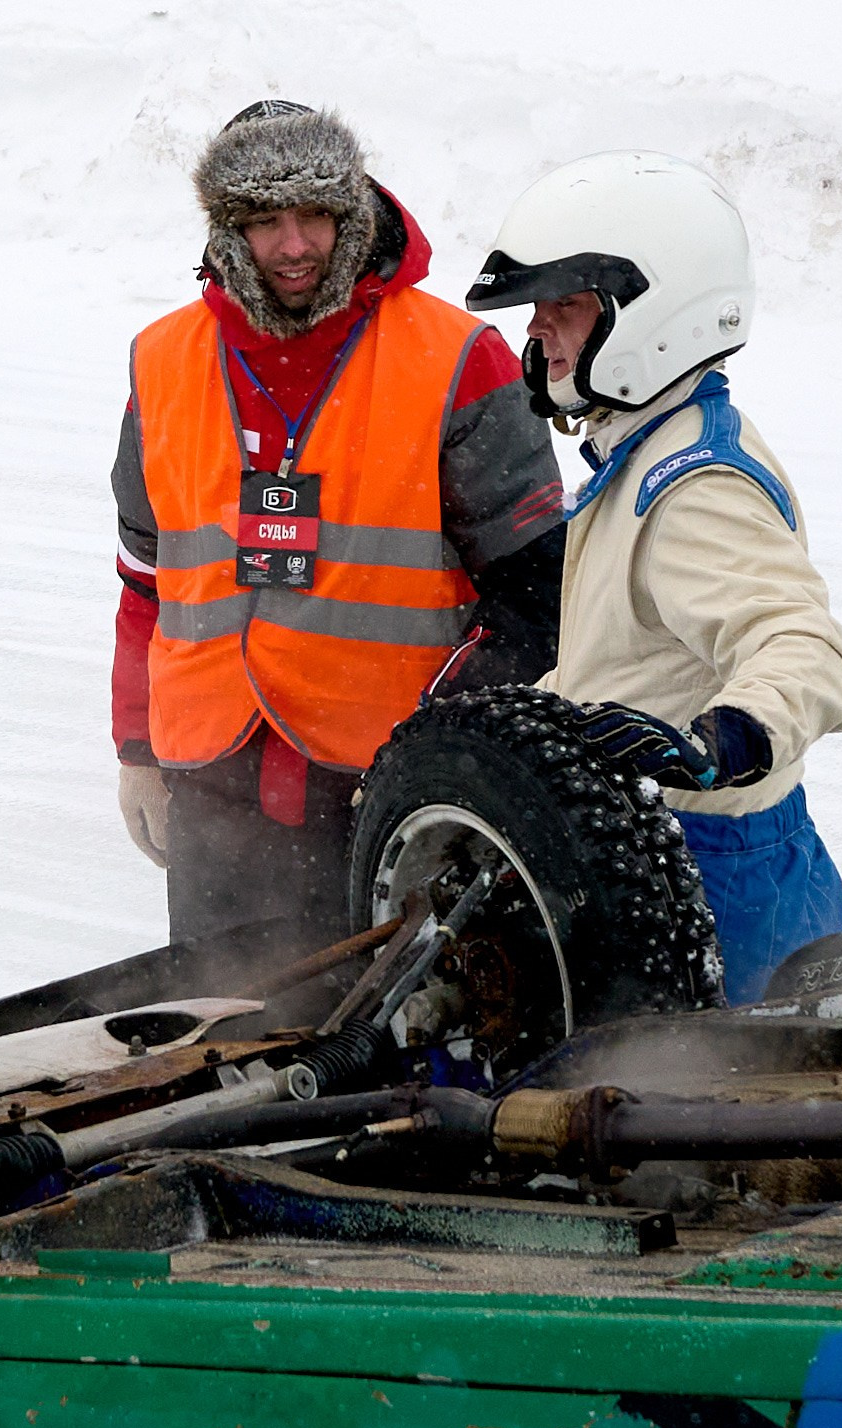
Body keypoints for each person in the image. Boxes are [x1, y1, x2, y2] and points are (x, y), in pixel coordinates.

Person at [111, 102, 565, 953]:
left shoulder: (461, 360)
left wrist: (442, 750)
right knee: (219, 1039)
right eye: (265, 222)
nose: (294, 246)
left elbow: (538, 601)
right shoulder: (160, 361)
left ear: (352, 212)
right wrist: (137, 745)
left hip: (384, 799)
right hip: (213, 785)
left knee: (377, 1062)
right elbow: (145, 576)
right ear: (224, 229)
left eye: (315, 215)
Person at [466, 152, 842, 1004]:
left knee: (709, 1126)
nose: (535, 329)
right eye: (536, 307)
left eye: (563, 305)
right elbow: (629, 664)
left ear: (651, 315)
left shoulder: (693, 486)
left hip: (717, 880)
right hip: (665, 851)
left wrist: (722, 740)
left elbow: (806, 648)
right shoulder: (648, 444)